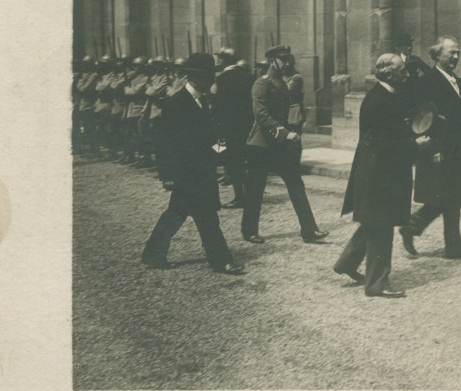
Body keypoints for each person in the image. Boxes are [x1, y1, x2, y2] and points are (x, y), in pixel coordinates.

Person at [334, 53, 429, 298]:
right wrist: (415, 145)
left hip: (379, 170)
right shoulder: (380, 101)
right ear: (388, 73)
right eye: (401, 70)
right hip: (380, 173)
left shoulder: (386, 95)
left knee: (372, 220)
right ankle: (377, 284)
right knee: (381, 225)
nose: (406, 73)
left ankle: (347, 263)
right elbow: (384, 143)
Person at [141, 52, 244, 275]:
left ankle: (153, 255)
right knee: (207, 217)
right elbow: (163, 143)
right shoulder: (176, 104)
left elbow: (208, 141)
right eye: (209, 76)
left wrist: (223, 150)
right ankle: (221, 261)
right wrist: (167, 175)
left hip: (200, 170)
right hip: (188, 173)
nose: (213, 81)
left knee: (175, 214)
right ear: (195, 77)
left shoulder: (202, 101)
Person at [399, 36, 461, 259]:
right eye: (450, 53)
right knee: (447, 198)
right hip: (440, 152)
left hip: (458, 151)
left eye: (457, 53)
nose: (455, 57)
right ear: (436, 55)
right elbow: (423, 120)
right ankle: (447, 243)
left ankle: (422, 232)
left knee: (449, 198)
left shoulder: (456, 81)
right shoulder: (428, 82)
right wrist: (434, 149)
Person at [240, 45, 329, 245]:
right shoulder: (261, 84)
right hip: (261, 145)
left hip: (279, 145)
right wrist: (285, 134)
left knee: (296, 185)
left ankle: (309, 230)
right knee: (256, 188)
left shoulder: (280, 82)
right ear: (273, 61)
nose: (287, 63)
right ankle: (249, 230)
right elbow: (262, 115)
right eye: (283, 59)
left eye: (289, 59)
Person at [213, 47, 254, 208]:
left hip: (229, 127)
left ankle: (239, 197)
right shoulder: (249, 76)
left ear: (223, 60)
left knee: (232, 161)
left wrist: (218, 127)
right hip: (247, 125)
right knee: (246, 160)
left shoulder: (223, 78)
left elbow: (220, 105)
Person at [120, 56, 150, 165]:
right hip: (131, 109)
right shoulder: (134, 78)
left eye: (138, 66)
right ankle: (138, 157)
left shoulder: (144, 78)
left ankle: (145, 158)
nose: (135, 68)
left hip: (139, 108)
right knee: (134, 135)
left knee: (142, 135)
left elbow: (133, 92)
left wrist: (126, 88)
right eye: (135, 66)